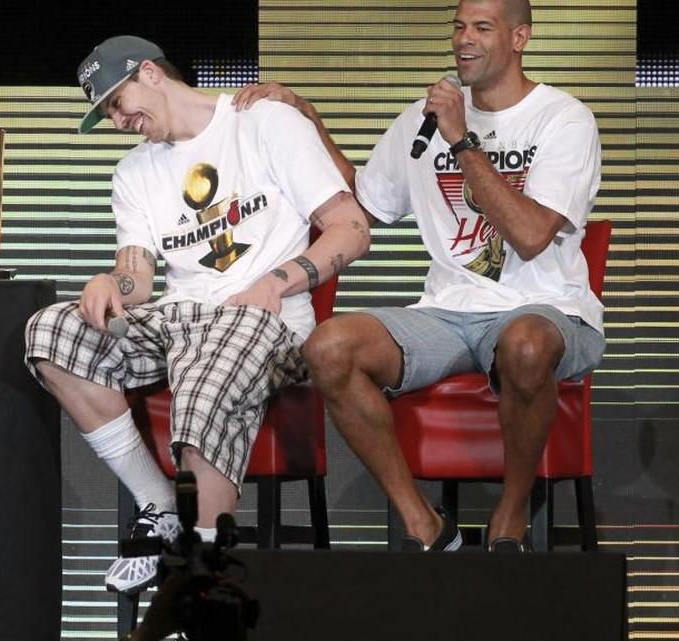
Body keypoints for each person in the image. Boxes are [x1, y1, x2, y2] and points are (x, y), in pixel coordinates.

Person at [235, 0, 605, 552]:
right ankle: (423, 523)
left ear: (520, 37)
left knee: (525, 346)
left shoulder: (562, 118)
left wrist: (461, 140)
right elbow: (364, 202)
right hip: (447, 314)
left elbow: (530, 237)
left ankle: (510, 518)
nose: (464, 40)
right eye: (458, 27)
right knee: (330, 346)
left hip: (546, 309)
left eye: (482, 28)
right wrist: (306, 118)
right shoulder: (420, 118)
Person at [24, 35, 370, 594]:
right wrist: (111, 281)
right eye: (107, 112)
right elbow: (137, 280)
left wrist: (274, 282)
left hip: (268, 319)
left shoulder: (263, 122)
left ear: (151, 73)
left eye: (116, 102)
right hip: (182, 318)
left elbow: (351, 230)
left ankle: (199, 584)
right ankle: (158, 504)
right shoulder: (133, 173)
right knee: (50, 333)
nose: (117, 121)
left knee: (208, 376)